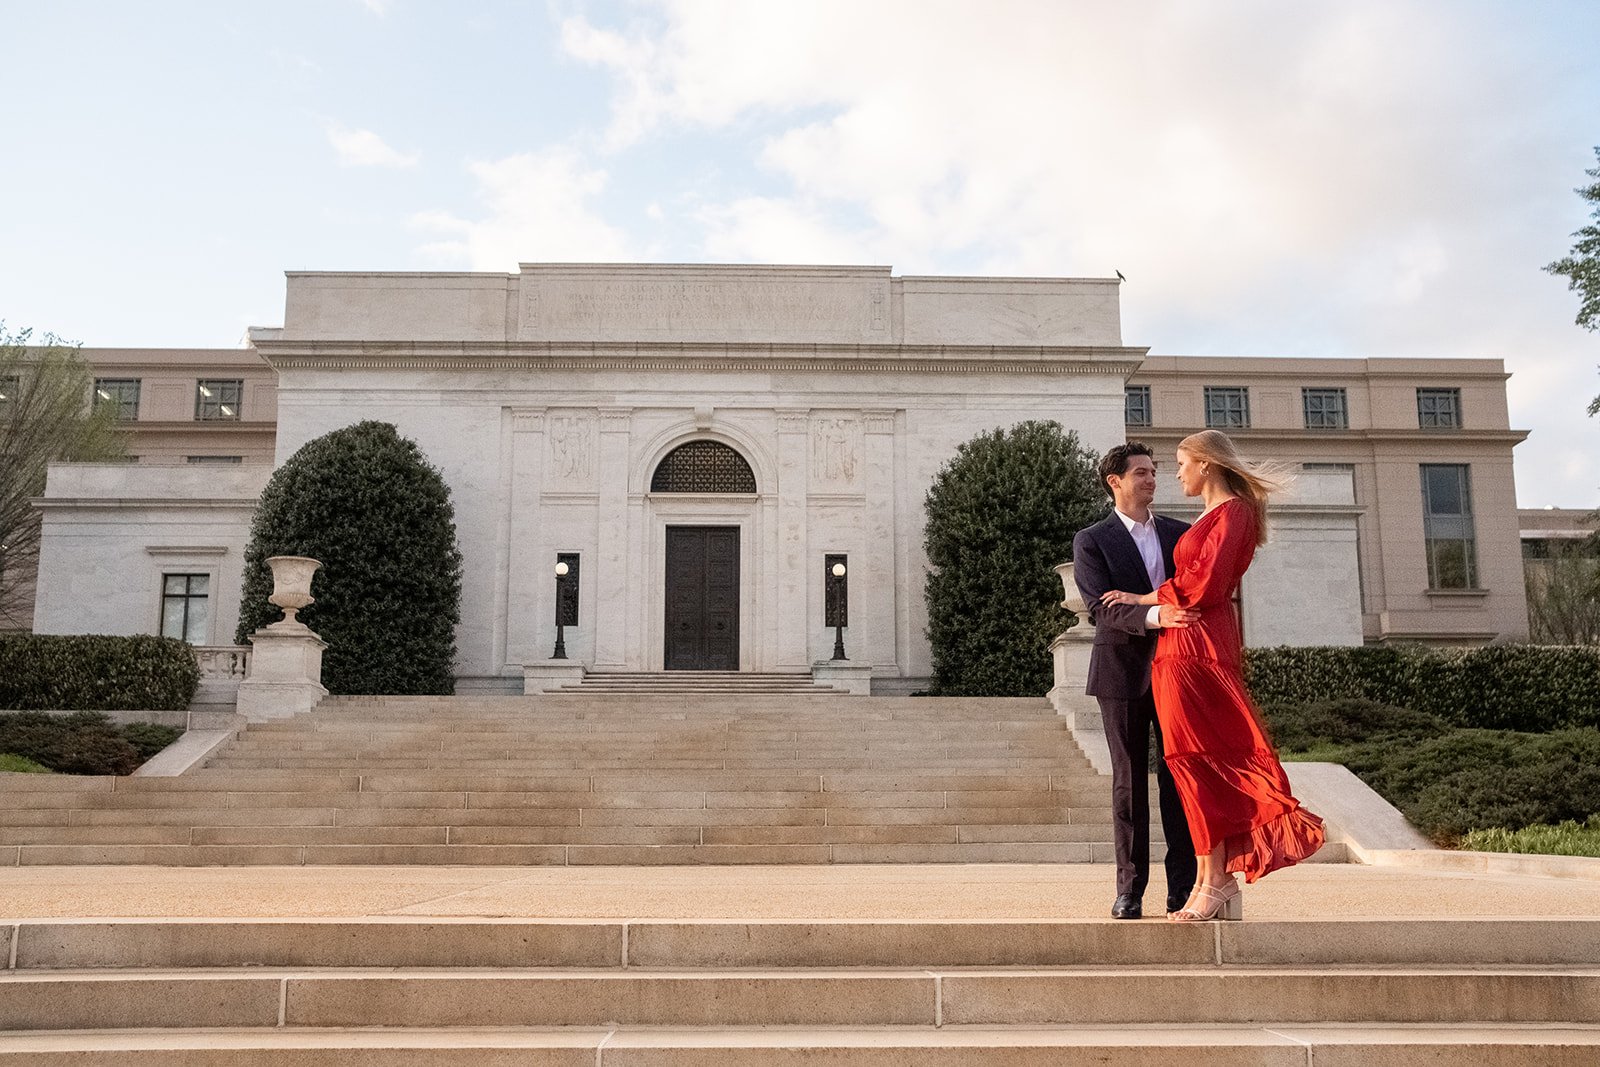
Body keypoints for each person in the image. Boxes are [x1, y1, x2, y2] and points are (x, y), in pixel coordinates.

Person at [1100, 430, 1325, 922]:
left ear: (1205, 464)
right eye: (1151, 470)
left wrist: (1143, 599)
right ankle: (1210, 880)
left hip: (1197, 650)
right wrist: (1153, 604)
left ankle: (1215, 882)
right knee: (1188, 764)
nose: (1171, 474)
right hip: (1174, 651)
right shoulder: (1209, 517)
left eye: (1179, 464)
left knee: (1201, 762)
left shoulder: (1233, 514)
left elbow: (1204, 584)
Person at [1072, 442, 1198, 920]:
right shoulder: (1092, 540)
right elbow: (1101, 607)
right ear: (1115, 482)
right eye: (1141, 473)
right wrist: (1158, 612)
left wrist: (1160, 609)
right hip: (1120, 672)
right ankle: (1130, 890)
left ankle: (1183, 888)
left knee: (1178, 779)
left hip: (1177, 670)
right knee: (1127, 784)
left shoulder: (1180, 535)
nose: (1151, 479)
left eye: (1154, 471)